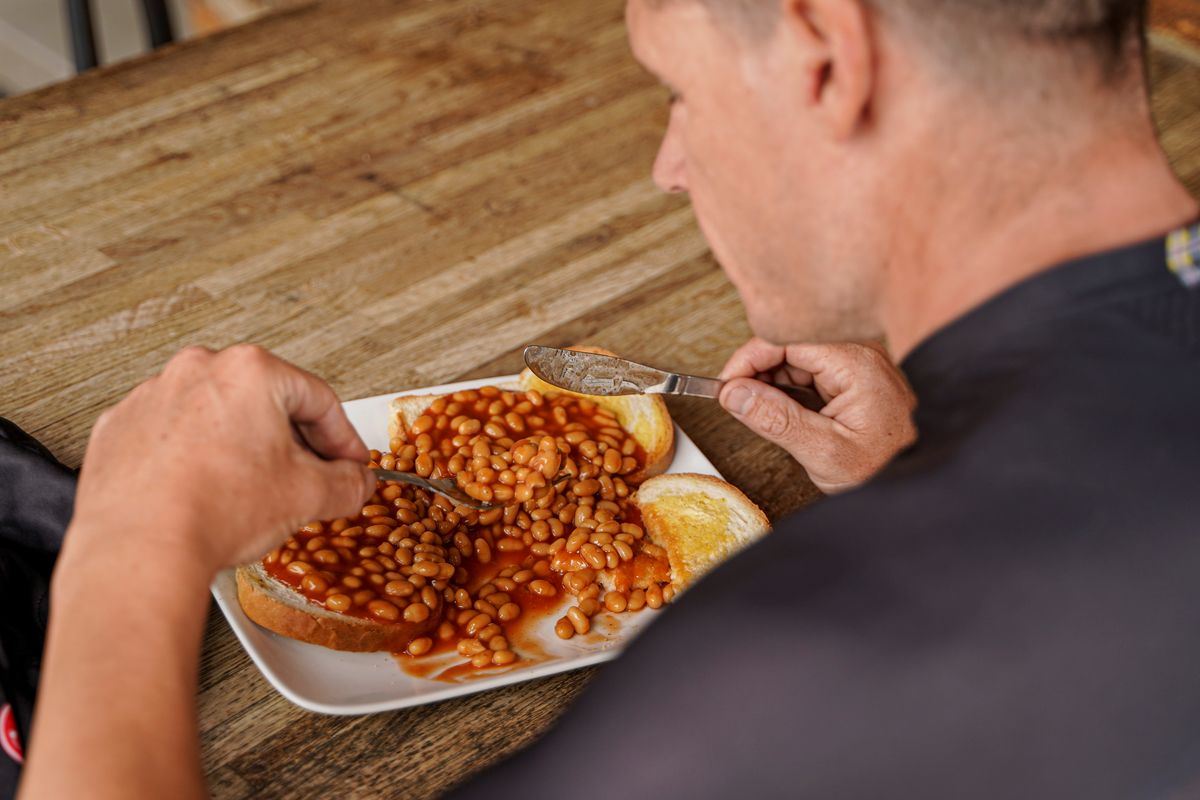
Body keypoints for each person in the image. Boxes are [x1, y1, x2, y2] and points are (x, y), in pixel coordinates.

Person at [17, 0, 1200, 796]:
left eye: (674, 91)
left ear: (822, 56)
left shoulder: (799, 657)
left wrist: (129, 542)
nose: (668, 163)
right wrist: (937, 475)